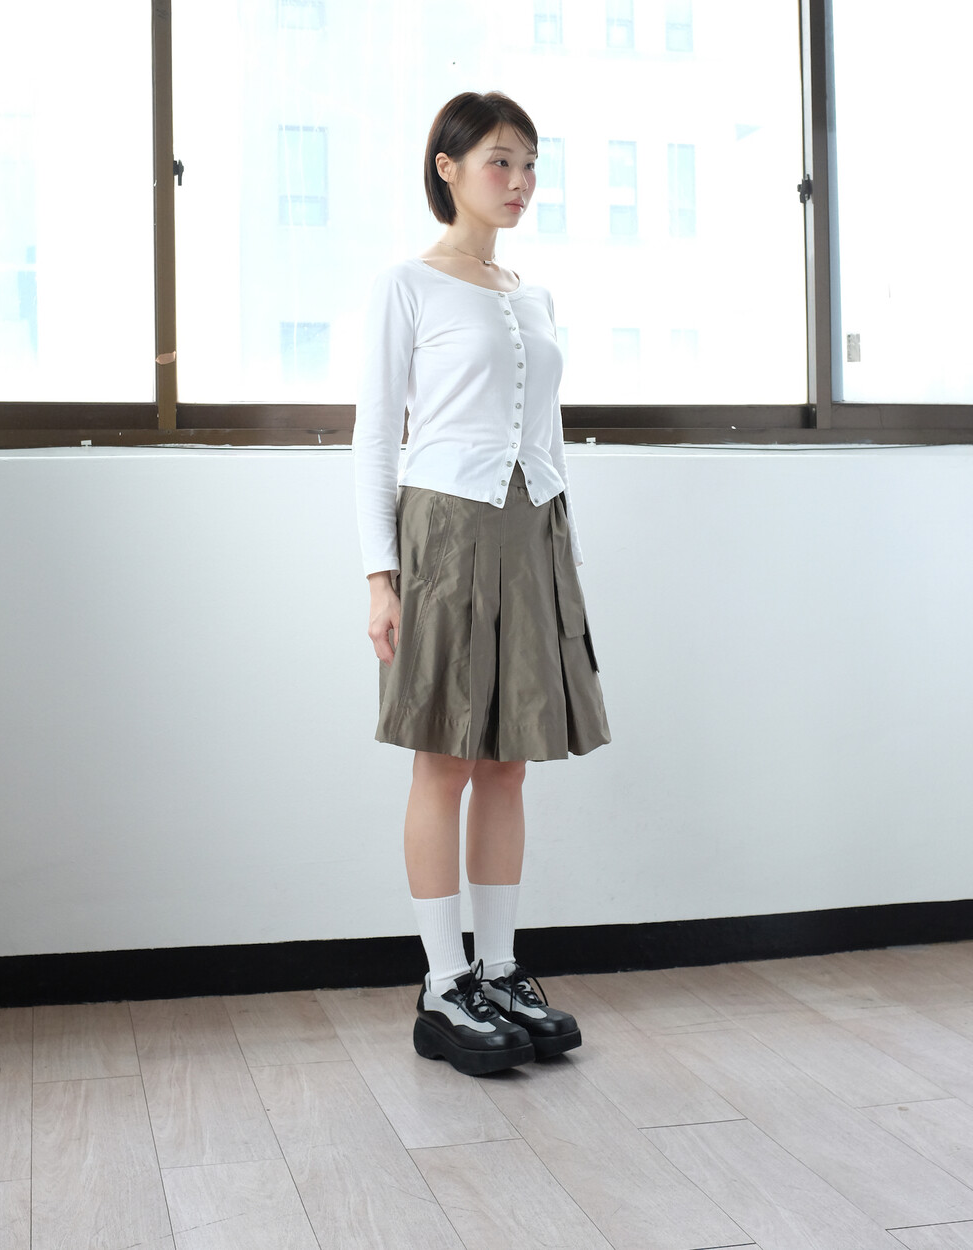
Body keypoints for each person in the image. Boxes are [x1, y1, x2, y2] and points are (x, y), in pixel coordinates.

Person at [353, 91, 610, 1076]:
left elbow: (545, 433)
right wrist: (379, 575)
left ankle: (500, 968)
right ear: (448, 167)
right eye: (501, 161)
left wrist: (562, 557)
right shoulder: (408, 286)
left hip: (533, 530)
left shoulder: (530, 295)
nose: (520, 181)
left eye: (531, 164)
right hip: (445, 534)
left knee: (510, 763)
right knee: (445, 760)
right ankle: (442, 983)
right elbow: (376, 437)